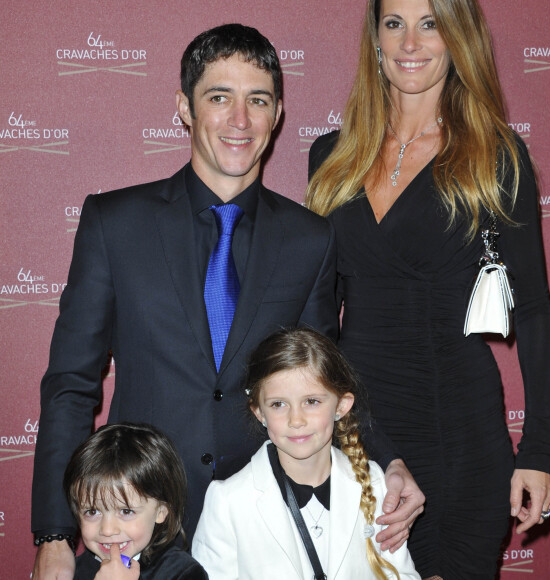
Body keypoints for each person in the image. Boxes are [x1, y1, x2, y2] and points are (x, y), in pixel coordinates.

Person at [31, 23, 424, 580]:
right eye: (219, 97)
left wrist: (391, 461)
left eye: (257, 101)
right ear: (185, 109)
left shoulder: (311, 238)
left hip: (264, 528)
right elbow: (71, 384)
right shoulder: (114, 224)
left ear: (278, 114)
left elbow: (325, 381)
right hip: (138, 533)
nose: (239, 121)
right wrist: (52, 533)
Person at [306, 0, 550, 578]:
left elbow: (537, 312)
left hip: (459, 431)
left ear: (458, 40)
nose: (410, 42)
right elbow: (319, 316)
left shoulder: (494, 157)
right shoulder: (332, 156)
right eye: (394, 23)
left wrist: (540, 451)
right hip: (357, 429)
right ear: (377, 39)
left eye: (431, 24)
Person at [192, 327, 420, 579]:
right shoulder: (227, 502)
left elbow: (403, 574)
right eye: (278, 404)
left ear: (341, 406)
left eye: (311, 401)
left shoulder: (375, 482)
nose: (296, 420)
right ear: (259, 412)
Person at [63, 423, 208, 580]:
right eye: (92, 512)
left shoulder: (183, 574)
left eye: (126, 511)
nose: (107, 530)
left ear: (160, 512)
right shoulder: (70, 572)